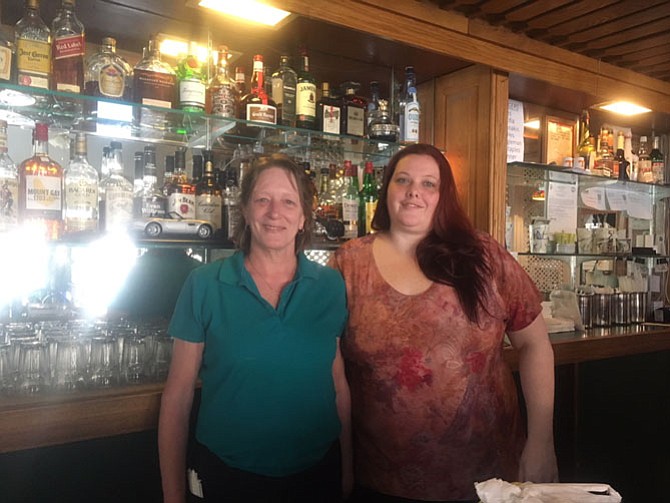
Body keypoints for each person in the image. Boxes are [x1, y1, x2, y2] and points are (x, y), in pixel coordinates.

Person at [330, 144, 558, 502]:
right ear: (386, 188)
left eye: (428, 184)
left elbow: (534, 344)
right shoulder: (349, 262)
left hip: (488, 480)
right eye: (402, 180)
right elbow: (332, 367)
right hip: (382, 480)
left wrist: (542, 441)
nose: (413, 192)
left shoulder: (483, 255)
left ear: (444, 196)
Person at [158, 154, 352, 503]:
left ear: (304, 216)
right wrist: (173, 496)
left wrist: (349, 467)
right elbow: (178, 396)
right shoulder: (204, 284)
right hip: (228, 477)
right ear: (245, 211)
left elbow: (337, 381)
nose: (274, 212)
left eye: (288, 202)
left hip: (317, 476)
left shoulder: (330, 286)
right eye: (263, 200)